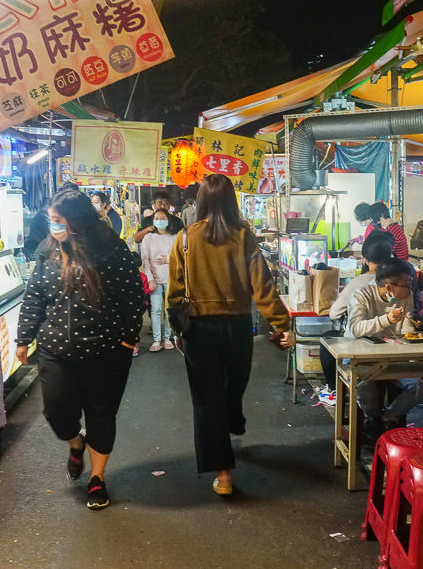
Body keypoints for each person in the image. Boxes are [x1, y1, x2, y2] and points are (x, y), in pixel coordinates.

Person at [15, 187, 144, 511]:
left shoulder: (111, 250)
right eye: (51, 220)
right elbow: (34, 297)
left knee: (101, 414)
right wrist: (22, 338)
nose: (53, 226)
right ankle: (76, 443)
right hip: (55, 349)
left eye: (58, 221)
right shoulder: (48, 250)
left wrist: (129, 337)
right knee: (58, 412)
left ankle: (97, 478)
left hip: (106, 350)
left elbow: (133, 295)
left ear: (77, 221)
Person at [168, 174, 294, 497]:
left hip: (199, 329)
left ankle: (223, 471)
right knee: (233, 385)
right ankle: (227, 453)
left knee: (207, 399)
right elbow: (262, 288)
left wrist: (177, 331)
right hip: (237, 327)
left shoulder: (184, 239)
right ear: (231, 201)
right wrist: (282, 324)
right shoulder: (244, 238)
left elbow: (174, 293)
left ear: (201, 201)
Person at [345, 258, 423, 439]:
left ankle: (389, 417)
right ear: (388, 287)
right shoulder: (361, 295)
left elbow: (406, 328)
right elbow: (355, 329)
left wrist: (412, 333)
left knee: (420, 384)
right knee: (365, 386)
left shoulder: (407, 296)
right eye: (407, 284)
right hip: (362, 357)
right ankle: (371, 419)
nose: (410, 288)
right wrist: (386, 320)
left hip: (393, 357)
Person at [319, 230, 396, 405]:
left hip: (365, 343)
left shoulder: (359, 282)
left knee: (326, 341)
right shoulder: (401, 279)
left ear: (366, 259)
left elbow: (334, 313)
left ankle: (333, 390)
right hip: (394, 341)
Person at [141, 208, 176, 353]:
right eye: (157, 218)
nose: (160, 221)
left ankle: (167, 338)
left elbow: (180, 259)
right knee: (155, 310)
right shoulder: (148, 238)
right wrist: (150, 278)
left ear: (168, 220)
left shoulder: (174, 238)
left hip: (171, 279)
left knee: (169, 310)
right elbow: (145, 260)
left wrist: (168, 260)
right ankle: (157, 339)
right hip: (154, 280)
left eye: (163, 218)